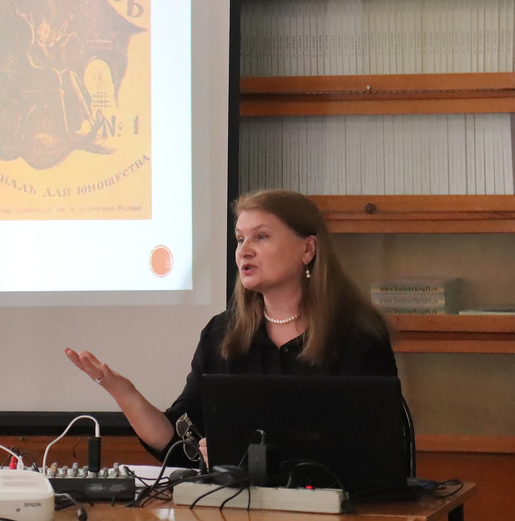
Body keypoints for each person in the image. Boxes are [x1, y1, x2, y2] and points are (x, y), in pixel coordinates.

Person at [65, 188, 397, 468]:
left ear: (307, 249)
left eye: (261, 237)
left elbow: (371, 450)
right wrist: (125, 394)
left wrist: (254, 457)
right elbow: (181, 444)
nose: (244, 251)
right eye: (240, 239)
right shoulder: (222, 334)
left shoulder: (358, 336)